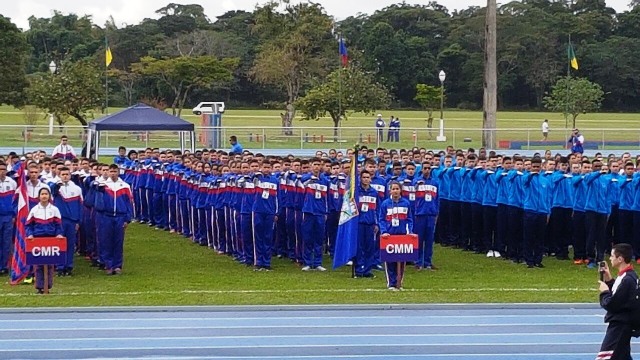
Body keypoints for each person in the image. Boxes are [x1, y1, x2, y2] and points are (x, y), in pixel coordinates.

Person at [597, 243, 637, 360]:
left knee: (604, 357)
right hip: (623, 324)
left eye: (612, 256)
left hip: (620, 325)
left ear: (620, 259)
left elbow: (612, 304)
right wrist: (609, 281)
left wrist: (604, 292)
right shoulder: (627, 276)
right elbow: (620, 294)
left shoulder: (627, 279)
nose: (610, 258)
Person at [94, 164, 133, 275]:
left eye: (115, 171)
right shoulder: (104, 185)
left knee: (118, 242)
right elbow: (94, 188)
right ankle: (108, 265)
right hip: (107, 216)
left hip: (120, 217)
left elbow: (129, 203)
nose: (113, 173)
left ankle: (117, 265)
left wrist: (127, 219)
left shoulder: (124, 186)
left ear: (118, 172)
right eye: (111, 171)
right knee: (106, 241)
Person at [25, 188, 64, 294]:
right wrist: (30, 235)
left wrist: (59, 234)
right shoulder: (34, 210)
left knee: (50, 264)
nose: (44, 196)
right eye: (42, 194)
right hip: (37, 239)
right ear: (39, 196)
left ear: (49, 196)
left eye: (46, 194)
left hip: (51, 238)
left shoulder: (55, 209)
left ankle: (48, 285)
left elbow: (58, 224)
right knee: (38, 264)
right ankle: (39, 286)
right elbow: (28, 225)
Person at [379, 181, 415, 290]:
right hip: (389, 236)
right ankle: (391, 283)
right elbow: (381, 219)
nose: (395, 191)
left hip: (402, 236)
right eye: (393, 189)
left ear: (400, 190)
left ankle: (399, 282)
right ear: (390, 190)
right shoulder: (385, 204)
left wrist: (409, 231)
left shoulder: (406, 203)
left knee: (402, 260)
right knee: (390, 260)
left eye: (397, 189)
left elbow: (409, 219)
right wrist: (384, 231)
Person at [0, 162, 17, 276]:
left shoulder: (12, 183)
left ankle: (4, 266)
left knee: (6, 242)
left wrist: (14, 215)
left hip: (8, 216)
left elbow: (15, 201)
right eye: (0, 169)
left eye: (3, 169)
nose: (2, 171)